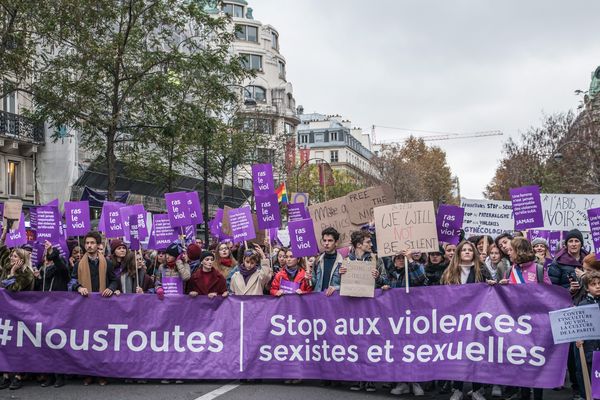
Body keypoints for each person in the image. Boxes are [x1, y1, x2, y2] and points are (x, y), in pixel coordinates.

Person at [497, 237, 550, 400]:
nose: (508, 252)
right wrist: (501, 287)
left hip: (537, 324)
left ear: (519, 251)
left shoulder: (539, 270)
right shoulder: (509, 271)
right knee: (521, 364)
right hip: (517, 325)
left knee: (536, 363)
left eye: (511, 249)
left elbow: (550, 295)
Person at [442, 240, 493, 400]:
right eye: (463, 250)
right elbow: (441, 293)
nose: (466, 252)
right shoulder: (450, 271)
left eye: (469, 250)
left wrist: (492, 285)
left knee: (476, 354)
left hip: (477, 320)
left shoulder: (481, 269)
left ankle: (477, 389)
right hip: (456, 320)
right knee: (458, 355)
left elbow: (491, 291)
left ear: (474, 253)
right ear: (458, 253)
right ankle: (457, 389)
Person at [71, 231, 119, 386]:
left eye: (92, 243)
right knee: (87, 342)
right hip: (84, 309)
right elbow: (71, 281)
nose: (89, 246)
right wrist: (78, 287)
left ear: (98, 245)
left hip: (102, 308)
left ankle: (101, 374)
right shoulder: (79, 264)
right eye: (87, 243)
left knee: (102, 342)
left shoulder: (107, 262)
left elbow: (114, 280)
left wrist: (111, 288)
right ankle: (88, 373)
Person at [0, 226, 35, 391]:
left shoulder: (26, 273)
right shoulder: (7, 267)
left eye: (15, 256)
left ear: (21, 259)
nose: (12, 259)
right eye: (12, 256)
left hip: (21, 314)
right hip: (6, 314)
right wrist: (4, 235)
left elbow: (13, 289)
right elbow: (1, 252)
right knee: (5, 344)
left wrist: (13, 273)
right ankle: (6, 375)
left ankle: (18, 375)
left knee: (18, 345)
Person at [575, 270, 600, 400]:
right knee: (590, 381)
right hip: (589, 350)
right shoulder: (582, 305)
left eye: (599, 283)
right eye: (593, 284)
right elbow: (579, 329)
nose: (597, 286)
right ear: (587, 288)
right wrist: (578, 340)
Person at [308, 227, 345, 296]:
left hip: (334, 301)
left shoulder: (343, 262)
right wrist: (309, 278)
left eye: (330, 240)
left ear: (336, 243)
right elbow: (314, 283)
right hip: (319, 300)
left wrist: (336, 288)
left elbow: (348, 286)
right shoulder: (317, 261)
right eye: (324, 240)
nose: (326, 243)